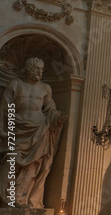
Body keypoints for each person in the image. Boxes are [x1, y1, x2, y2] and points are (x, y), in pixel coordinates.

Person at [0, 57, 67, 208]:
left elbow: (50, 110)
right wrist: (7, 129)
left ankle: (19, 198)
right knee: (12, 161)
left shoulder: (45, 88)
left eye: (42, 69)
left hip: (39, 130)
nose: (40, 72)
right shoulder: (16, 84)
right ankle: (7, 198)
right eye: (37, 69)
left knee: (33, 166)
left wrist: (57, 118)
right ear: (29, 68)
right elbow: (5, 108)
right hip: (18, 129)